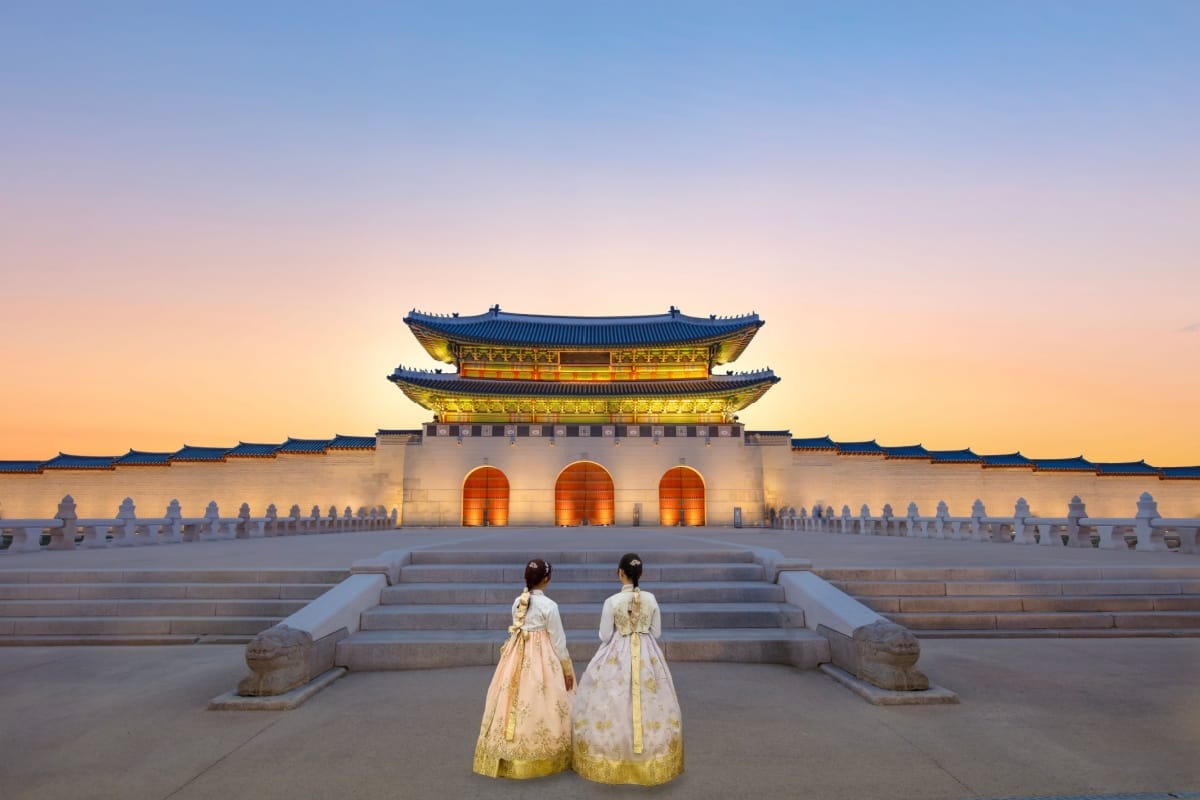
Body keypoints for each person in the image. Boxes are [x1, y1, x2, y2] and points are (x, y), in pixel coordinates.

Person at [571, 553, 684, 786]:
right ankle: (652, 755)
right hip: (647, 652)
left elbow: (604, 635)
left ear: (620, 573)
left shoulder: (612, 601)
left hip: (617, 651)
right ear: (641, 574)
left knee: (611, 700)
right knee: (652, 699)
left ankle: (611, 753)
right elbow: (657, 632)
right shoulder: (651, 599)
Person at [472, 558, 575, 779]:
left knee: (512, 697)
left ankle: (508, 751)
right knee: (540, 699)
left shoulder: (518, 601)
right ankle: (545, 753)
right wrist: (566, 668)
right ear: (546, 579)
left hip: (516, 654)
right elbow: (558, 642)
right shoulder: (550, 606)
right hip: (543, 658)